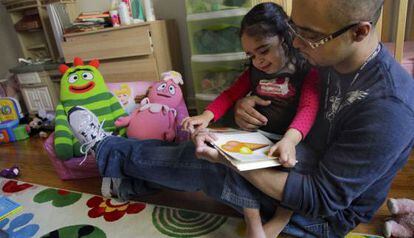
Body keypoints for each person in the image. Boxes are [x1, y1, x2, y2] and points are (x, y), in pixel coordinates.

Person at [66, 0, 414, 237]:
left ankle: (107, 149)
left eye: (310, 36)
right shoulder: (328, 59)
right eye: (294, 28)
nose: (297, 43)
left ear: (359, 32)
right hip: (298, 160)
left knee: (208, 164)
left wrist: (232, 160)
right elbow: (277, 100)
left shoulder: (389, 108)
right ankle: (127, 179)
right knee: (207, 148)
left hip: (321, 217)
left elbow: (320, 198)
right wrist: (242, 107)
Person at [181, 2, 319, 237]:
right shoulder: (253, 72)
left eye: (264, 50)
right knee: (232, 160)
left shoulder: (306, 69)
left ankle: (279, 220)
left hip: (290, 138)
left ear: (286, 37)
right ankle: (253, 222)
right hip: (257, 135)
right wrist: (206, 116)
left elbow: (309, 107)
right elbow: (230, 94)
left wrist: (289, 140)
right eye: (251, 55)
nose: (258, 61)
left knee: (302, 167)